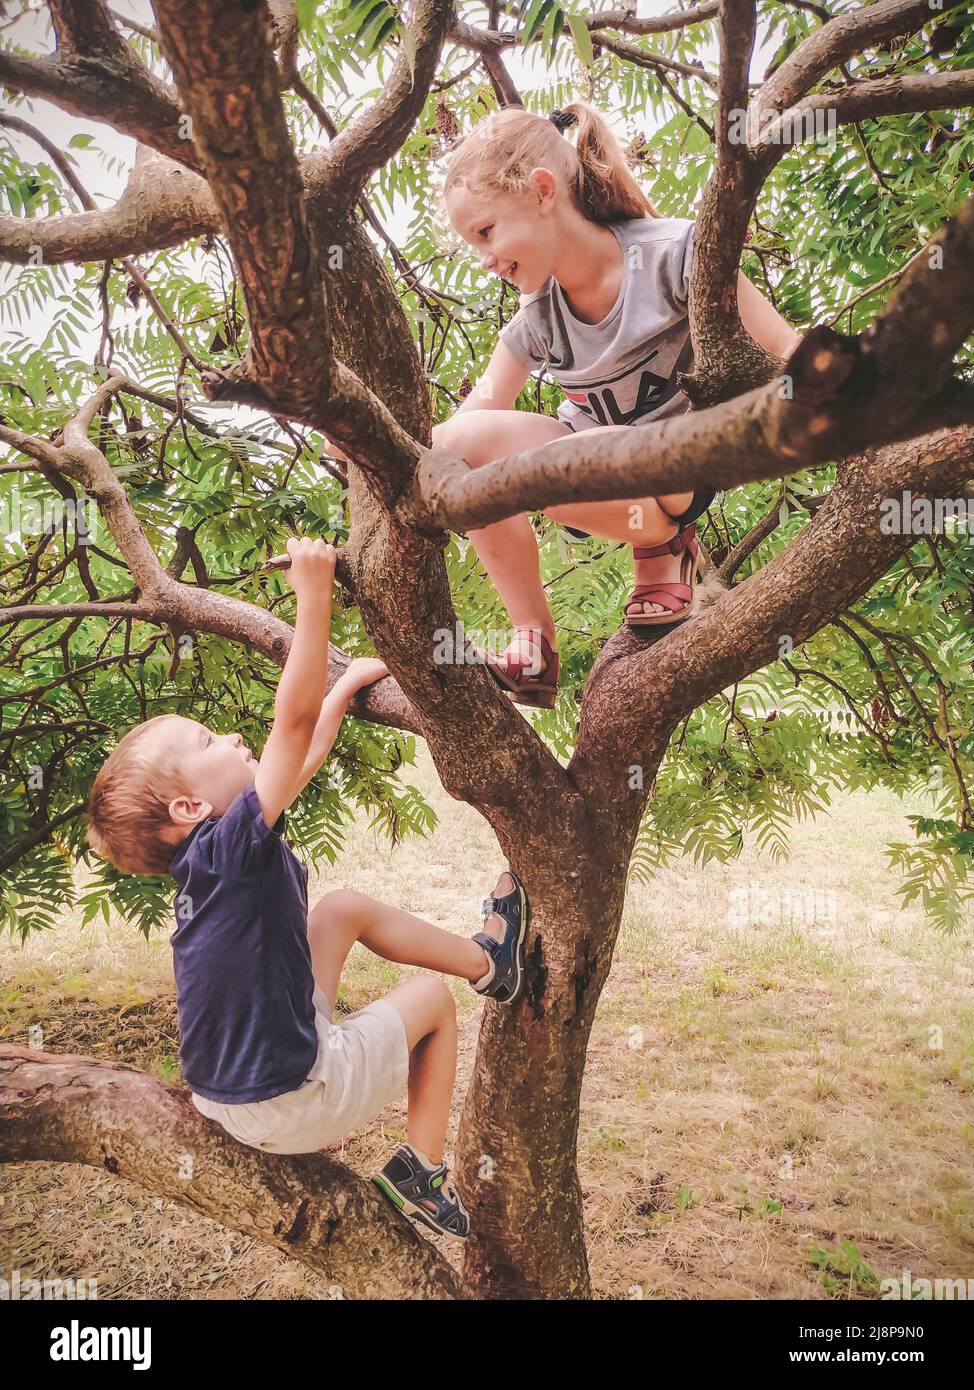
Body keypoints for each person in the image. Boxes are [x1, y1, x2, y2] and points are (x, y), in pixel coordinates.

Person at [85, 537, 530, 1241]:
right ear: (187, 809)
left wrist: (345, 686)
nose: (232, 736)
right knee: (433, 1003)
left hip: (233, 1094)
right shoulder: (231, 847)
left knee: (340, 910)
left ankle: (484, 965)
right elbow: (288, 732)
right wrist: (314, 596)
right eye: (208, 742)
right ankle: (427, 1152)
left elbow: (301, 753)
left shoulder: (213, 854)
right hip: (291, 1095)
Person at [429, 101, 803, 706]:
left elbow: (784, 345)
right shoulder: (539, 317)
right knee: (456, 448)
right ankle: (534, 647)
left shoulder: (675, 253)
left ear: (543, 191)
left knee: (569, 455)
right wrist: (385, 452)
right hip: (594, 479)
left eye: (486, 232)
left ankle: (666, 548)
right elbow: (476, 413)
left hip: (678, 475)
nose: (484, 258)